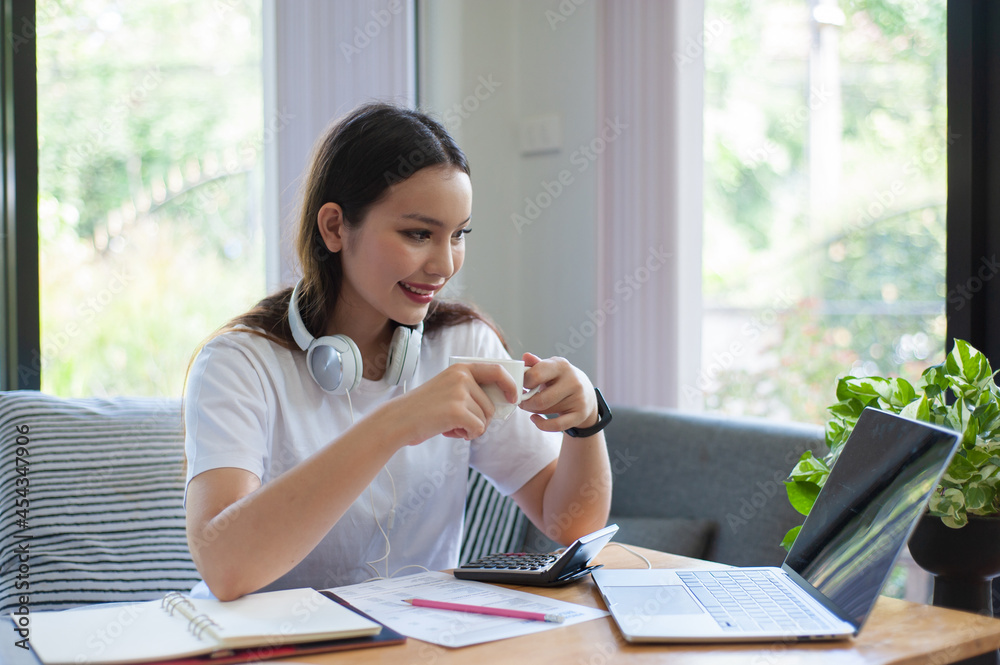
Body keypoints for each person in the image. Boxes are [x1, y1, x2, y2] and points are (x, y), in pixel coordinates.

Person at [183, 102, 612, 601]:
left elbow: (570, 522)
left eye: (459, 235)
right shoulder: (240, 365)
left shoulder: (462, 344)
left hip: (416, 644)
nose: (444, 263)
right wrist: (396, 423)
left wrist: (587, 422)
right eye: (418, 234)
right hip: (269, 647)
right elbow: (225, 568)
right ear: (335, 228)